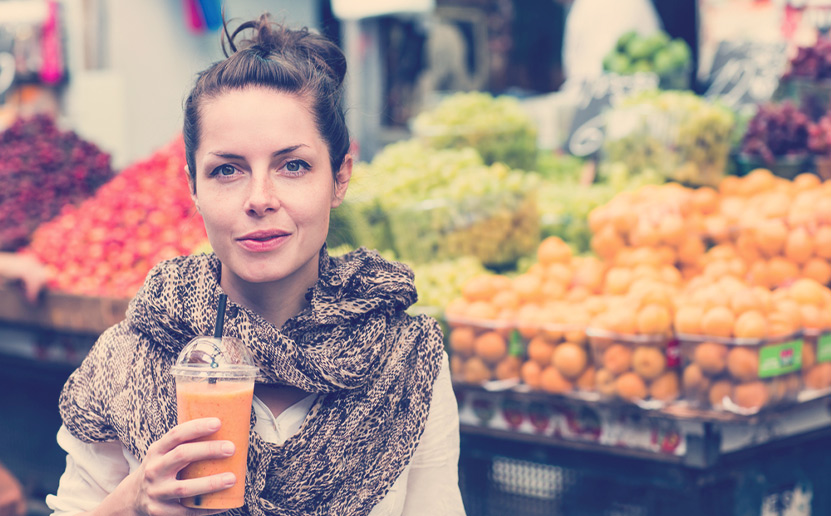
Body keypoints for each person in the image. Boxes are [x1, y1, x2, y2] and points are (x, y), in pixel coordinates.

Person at [46, 14, 466, 516]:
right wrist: (134, 500)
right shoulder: (129, 357)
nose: (260, 199)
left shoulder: (404, 361)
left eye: (294, 165)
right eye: (227, 170)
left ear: (340, 177)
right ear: (193, 188)